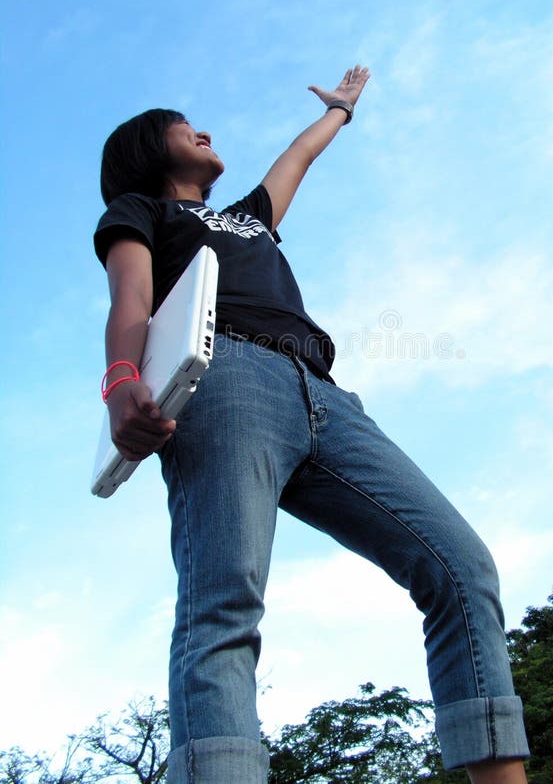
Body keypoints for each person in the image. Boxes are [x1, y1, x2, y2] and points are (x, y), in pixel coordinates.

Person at [94, 66, 529, 783]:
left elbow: (296, 158)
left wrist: (339, 112)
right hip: (222, 377)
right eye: (182, 123)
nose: (201, 129)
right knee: (223, 599)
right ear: (147, 147)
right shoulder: (142, 213)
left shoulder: (247, 217)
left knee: (460, 565)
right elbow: (130, 299)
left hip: (325, 396)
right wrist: (120, 384)